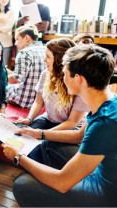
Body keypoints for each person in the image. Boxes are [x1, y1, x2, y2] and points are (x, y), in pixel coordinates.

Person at [2, 45, 117, 207]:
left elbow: (62, 182)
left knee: (22, 185)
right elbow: (79, 136)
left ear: (78, 79)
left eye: (64, 73)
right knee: (48, 145)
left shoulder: (107, 122)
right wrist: (39, 134)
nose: (62, 78)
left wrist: (18, 157)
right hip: (111, 174)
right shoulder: (111, 101)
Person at [15, 37, 88, 168]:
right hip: (49, 119)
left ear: (60, 59)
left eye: (48, 57)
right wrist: (29, 119)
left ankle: (41, 170)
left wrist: (44, 134)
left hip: (70, 127)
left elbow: (72, 122)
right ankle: (29, 166)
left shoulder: (76, 82)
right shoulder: (46, 74)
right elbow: (38, 102)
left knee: (42, 142)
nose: (44, 60)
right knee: (23, 133)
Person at [6, 25, 45, 108]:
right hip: (42, 99)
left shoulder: (24, 53)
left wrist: (1, 76)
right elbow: (28, 75)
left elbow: (17, 79)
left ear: (27, 38)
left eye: (17, 39)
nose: (15, 43)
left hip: (25, 100)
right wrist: (9, 72)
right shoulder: (45, 50)